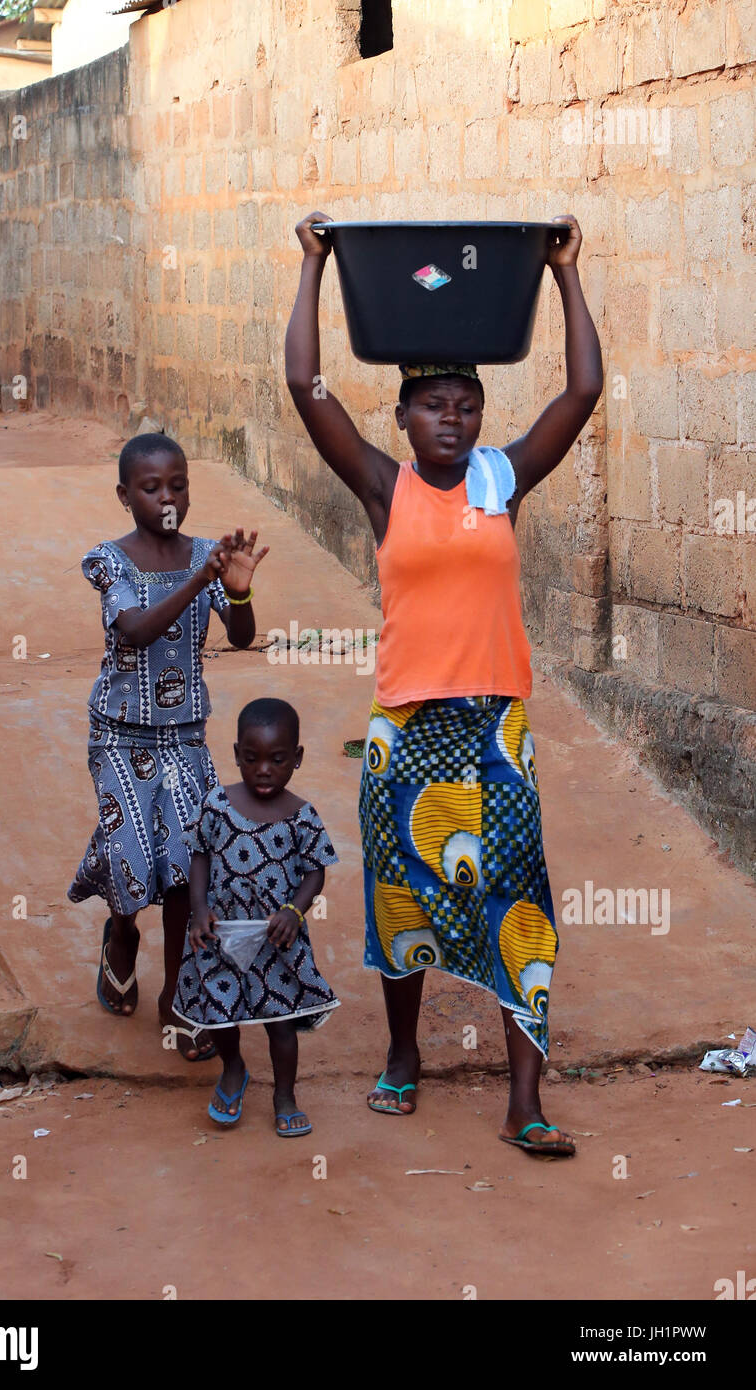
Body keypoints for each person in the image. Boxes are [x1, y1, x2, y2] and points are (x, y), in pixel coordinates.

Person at [284, 211, 602, 1156]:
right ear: (403, 418)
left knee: (518, 899)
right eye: (433, 407)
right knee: (401, 898)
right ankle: (401, 1055)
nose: (452, 420)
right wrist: (312, 268)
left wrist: (564, 276)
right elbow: (306, 384)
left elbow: (582, 389)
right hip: (406, 725)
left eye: (466, 405)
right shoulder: (387, 489)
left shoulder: (500, 481)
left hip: (495, 727)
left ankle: (525, 1100)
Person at [67, 432, 268, 1064]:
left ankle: (180, 996)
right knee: (131, 868)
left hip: (184, 737)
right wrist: (197, 581)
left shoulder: (208, 555)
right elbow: (133, 631)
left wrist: (235, 588)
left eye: (177, 484)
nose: (167, 497)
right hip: (121, 737)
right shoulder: (111, 561)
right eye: (151, 488)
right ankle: (121, 935)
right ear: (125, 495)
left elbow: (240, 636)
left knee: (187, 867)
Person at [174, 697, 340, 1135]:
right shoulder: (216, 805)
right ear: (236, 756)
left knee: (281, 1024)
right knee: (221, 1014)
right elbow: (200, 857)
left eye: (277, 759)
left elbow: (314, 872)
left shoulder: (302, 816)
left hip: (276, 938)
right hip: (221, 933)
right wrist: (197, 911)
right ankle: (233, 1069)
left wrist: (294, 911)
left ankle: (285, 1095)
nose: (263, 769)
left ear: (297, 759)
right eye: (252, 759)